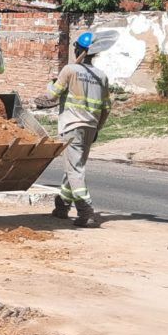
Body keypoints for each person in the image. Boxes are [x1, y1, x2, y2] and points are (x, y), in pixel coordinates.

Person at [45, 31, 111, 228]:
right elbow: (106, 108)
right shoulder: (102, 76)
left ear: (78, 50)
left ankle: (85, 212)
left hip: (71, 126)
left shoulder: (70, 70)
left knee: (74, 169)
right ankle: (62, 206)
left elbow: (52, 96)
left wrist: (52, 83)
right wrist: (98, 127)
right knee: (74, 167)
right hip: (90, 127)